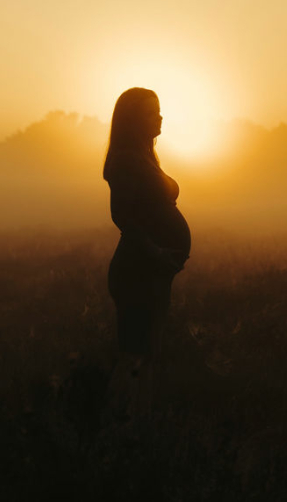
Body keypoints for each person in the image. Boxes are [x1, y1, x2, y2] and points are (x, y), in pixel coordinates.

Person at [103, 87, 191, 418]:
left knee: (147, 354)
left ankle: (138, 424)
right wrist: (156, 253)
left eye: (159, 110)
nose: (160, 117)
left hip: (152, 271)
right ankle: (116, 423)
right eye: (151, 112)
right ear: (132, 120)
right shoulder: (125, 161)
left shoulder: (143, 157)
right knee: (135, 356)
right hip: (138, 270)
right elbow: (123, 218)